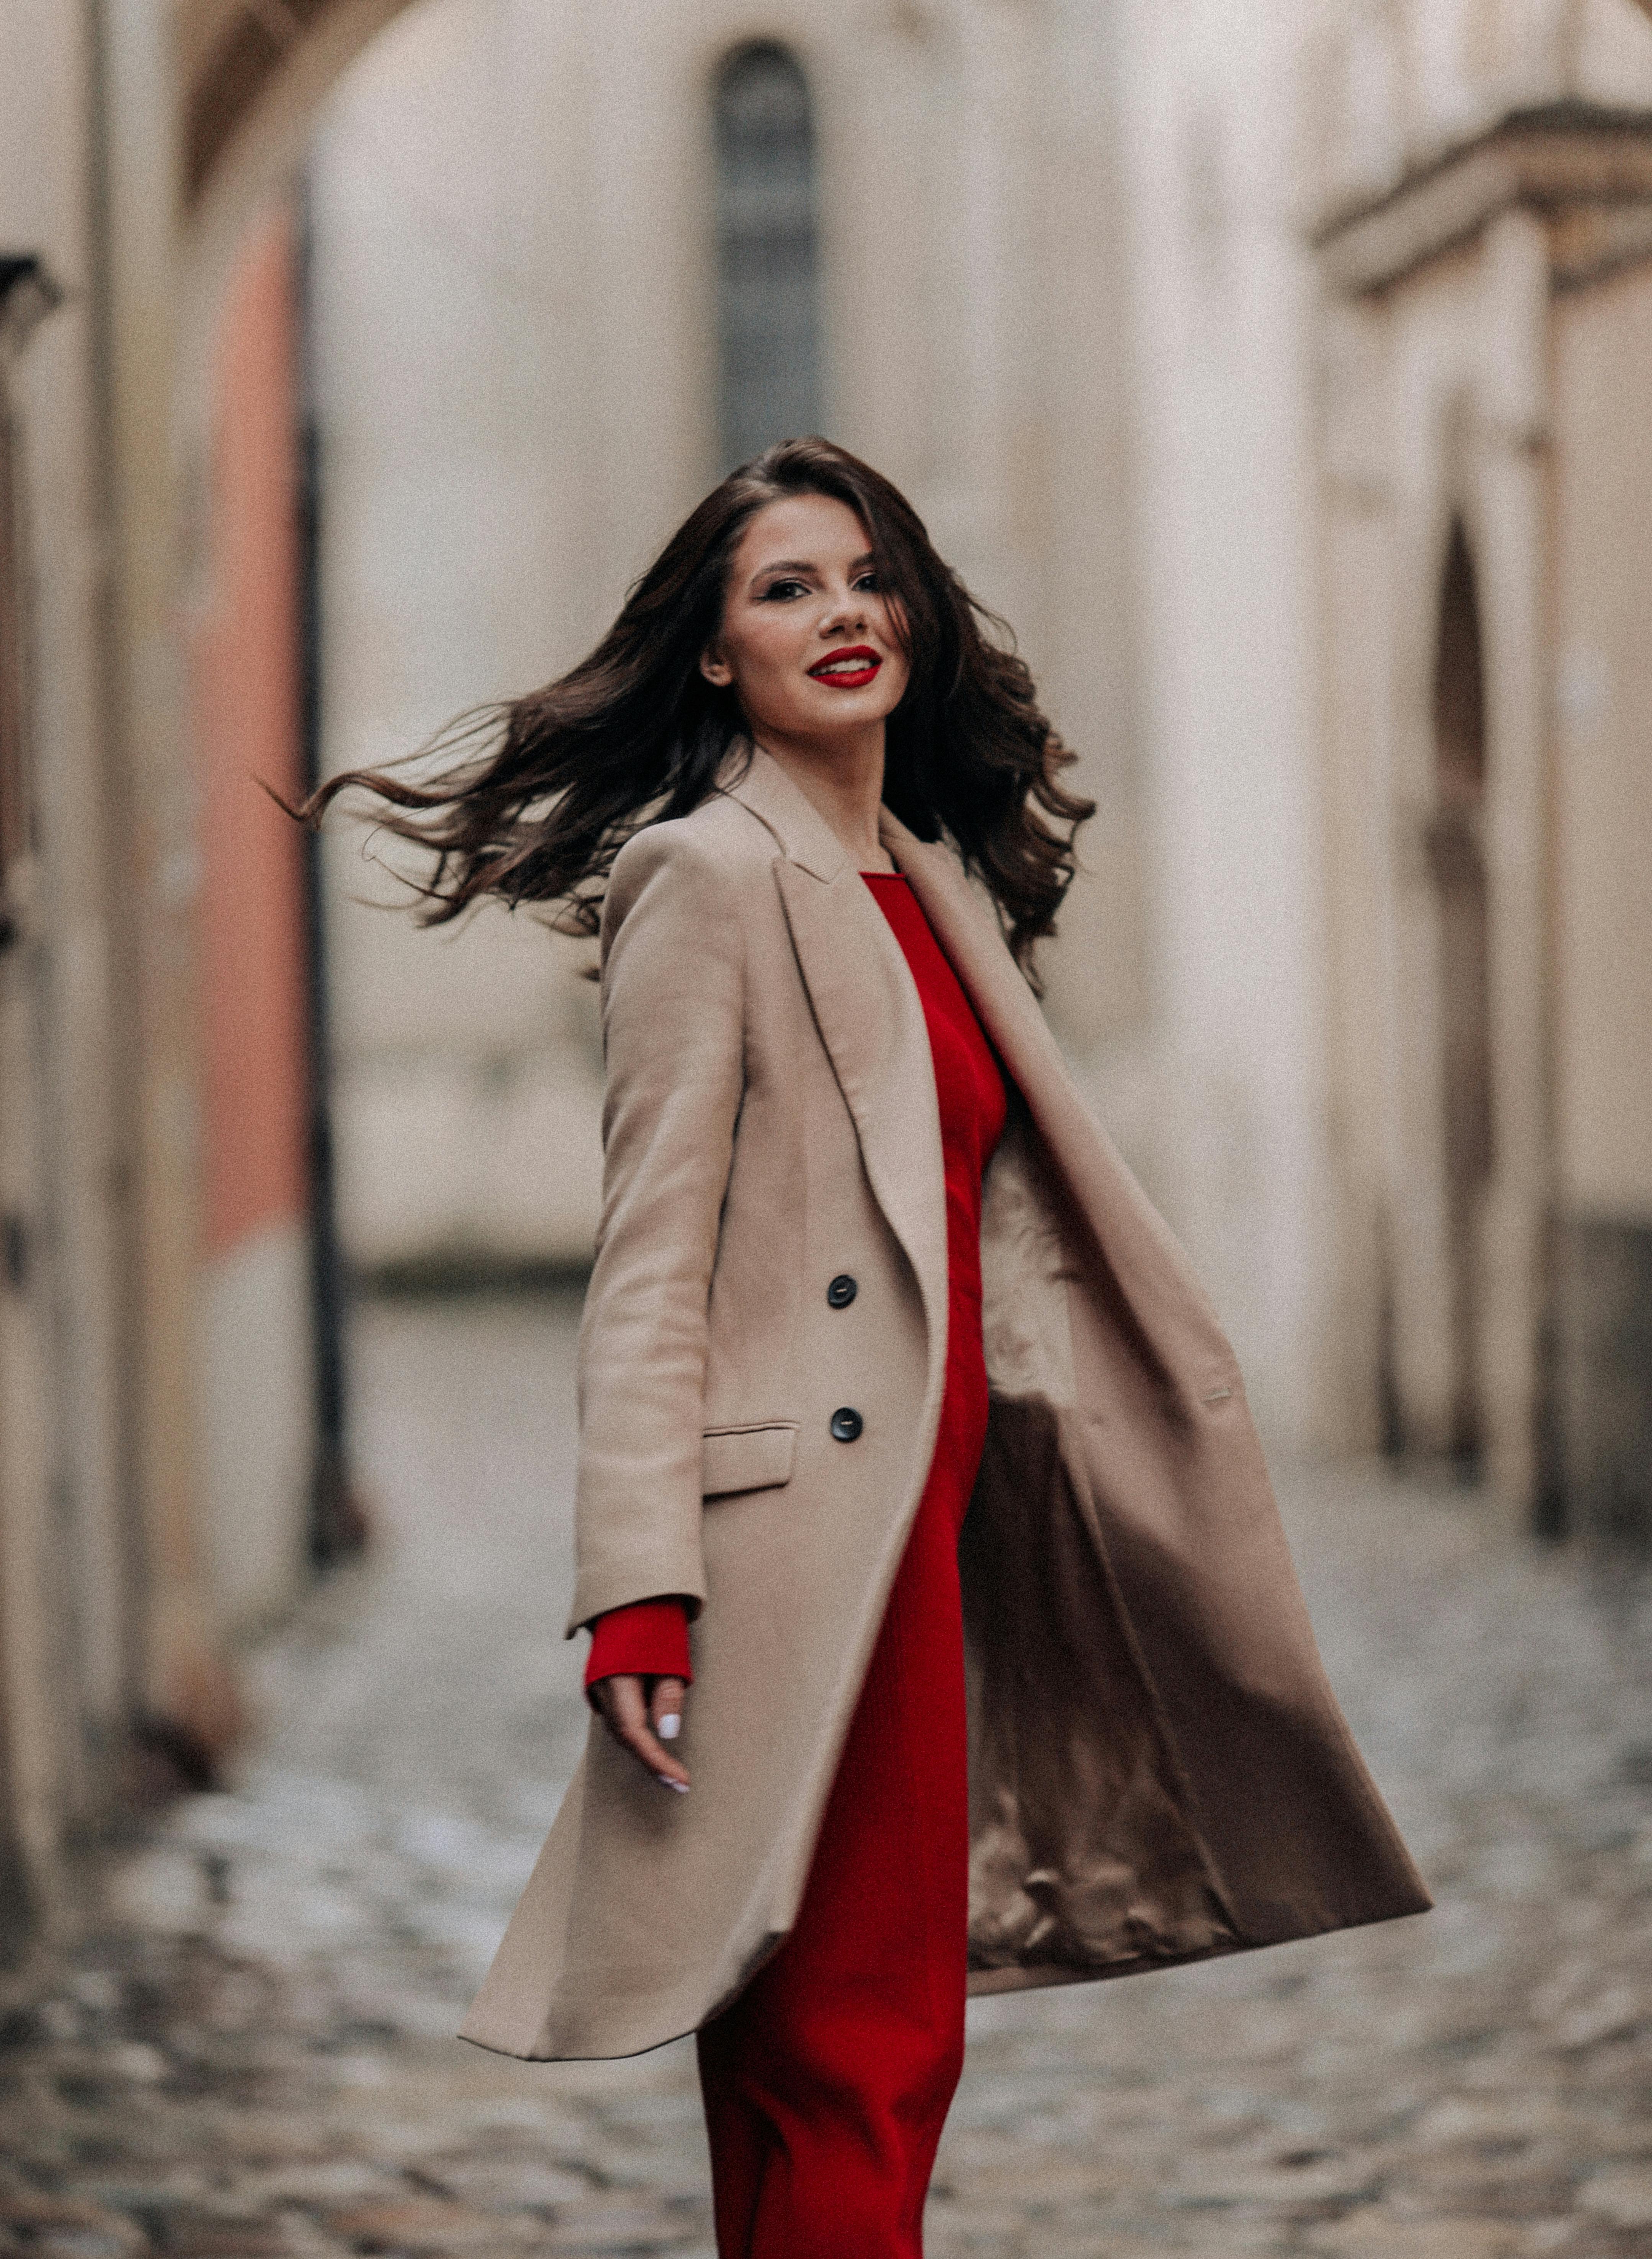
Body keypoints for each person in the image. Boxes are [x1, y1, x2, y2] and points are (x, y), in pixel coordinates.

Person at [305, 438, 1429, 2258]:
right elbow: (648, 1262)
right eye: (784, 589)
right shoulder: (707, 874)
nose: (840, 616)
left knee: (822, 2053)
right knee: (853, 2045)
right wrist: (640, 1592)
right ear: (712, 654)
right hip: (805, 1541)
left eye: (864, 577)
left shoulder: (926, 878)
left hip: (945, 1505)